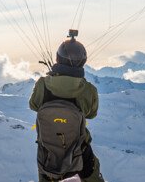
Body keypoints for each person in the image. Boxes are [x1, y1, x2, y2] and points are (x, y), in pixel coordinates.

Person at [29, 34, 103, 182]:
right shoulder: (88, 90)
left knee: (46, 173)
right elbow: (91, 114)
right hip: (79, 148)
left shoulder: (43, 84)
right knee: (92, 174)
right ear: (83, 61)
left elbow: (34, 105)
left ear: (58, 58)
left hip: (47, 148)